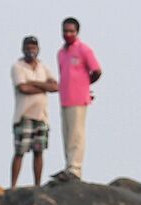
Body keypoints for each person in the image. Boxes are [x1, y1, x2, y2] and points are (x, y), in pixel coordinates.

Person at [52, 17, 102, 182]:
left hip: (79, 97)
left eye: (71, 31)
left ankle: (75, 168)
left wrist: (85, 84)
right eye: (65, 31)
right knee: (67, 134)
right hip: (65, 97)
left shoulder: (83, 50)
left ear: (77, 32)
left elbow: (96, 70)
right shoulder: (61, 53)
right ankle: (68, 165)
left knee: (76, 133)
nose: (68, 34)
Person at [10, 36, 58, 188]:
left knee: (39, 151)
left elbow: (55, 86)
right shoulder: (18, 67)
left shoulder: (43, 67)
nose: (31, 51)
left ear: (38, 49)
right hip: (24, 115)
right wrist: (44, 87)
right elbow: (23, 88)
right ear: (23, 49)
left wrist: (34, 83)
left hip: (41, 116)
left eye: (33, 48)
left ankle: (37, 185)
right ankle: (13, 185)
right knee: (20, 151)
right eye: (28, 48)